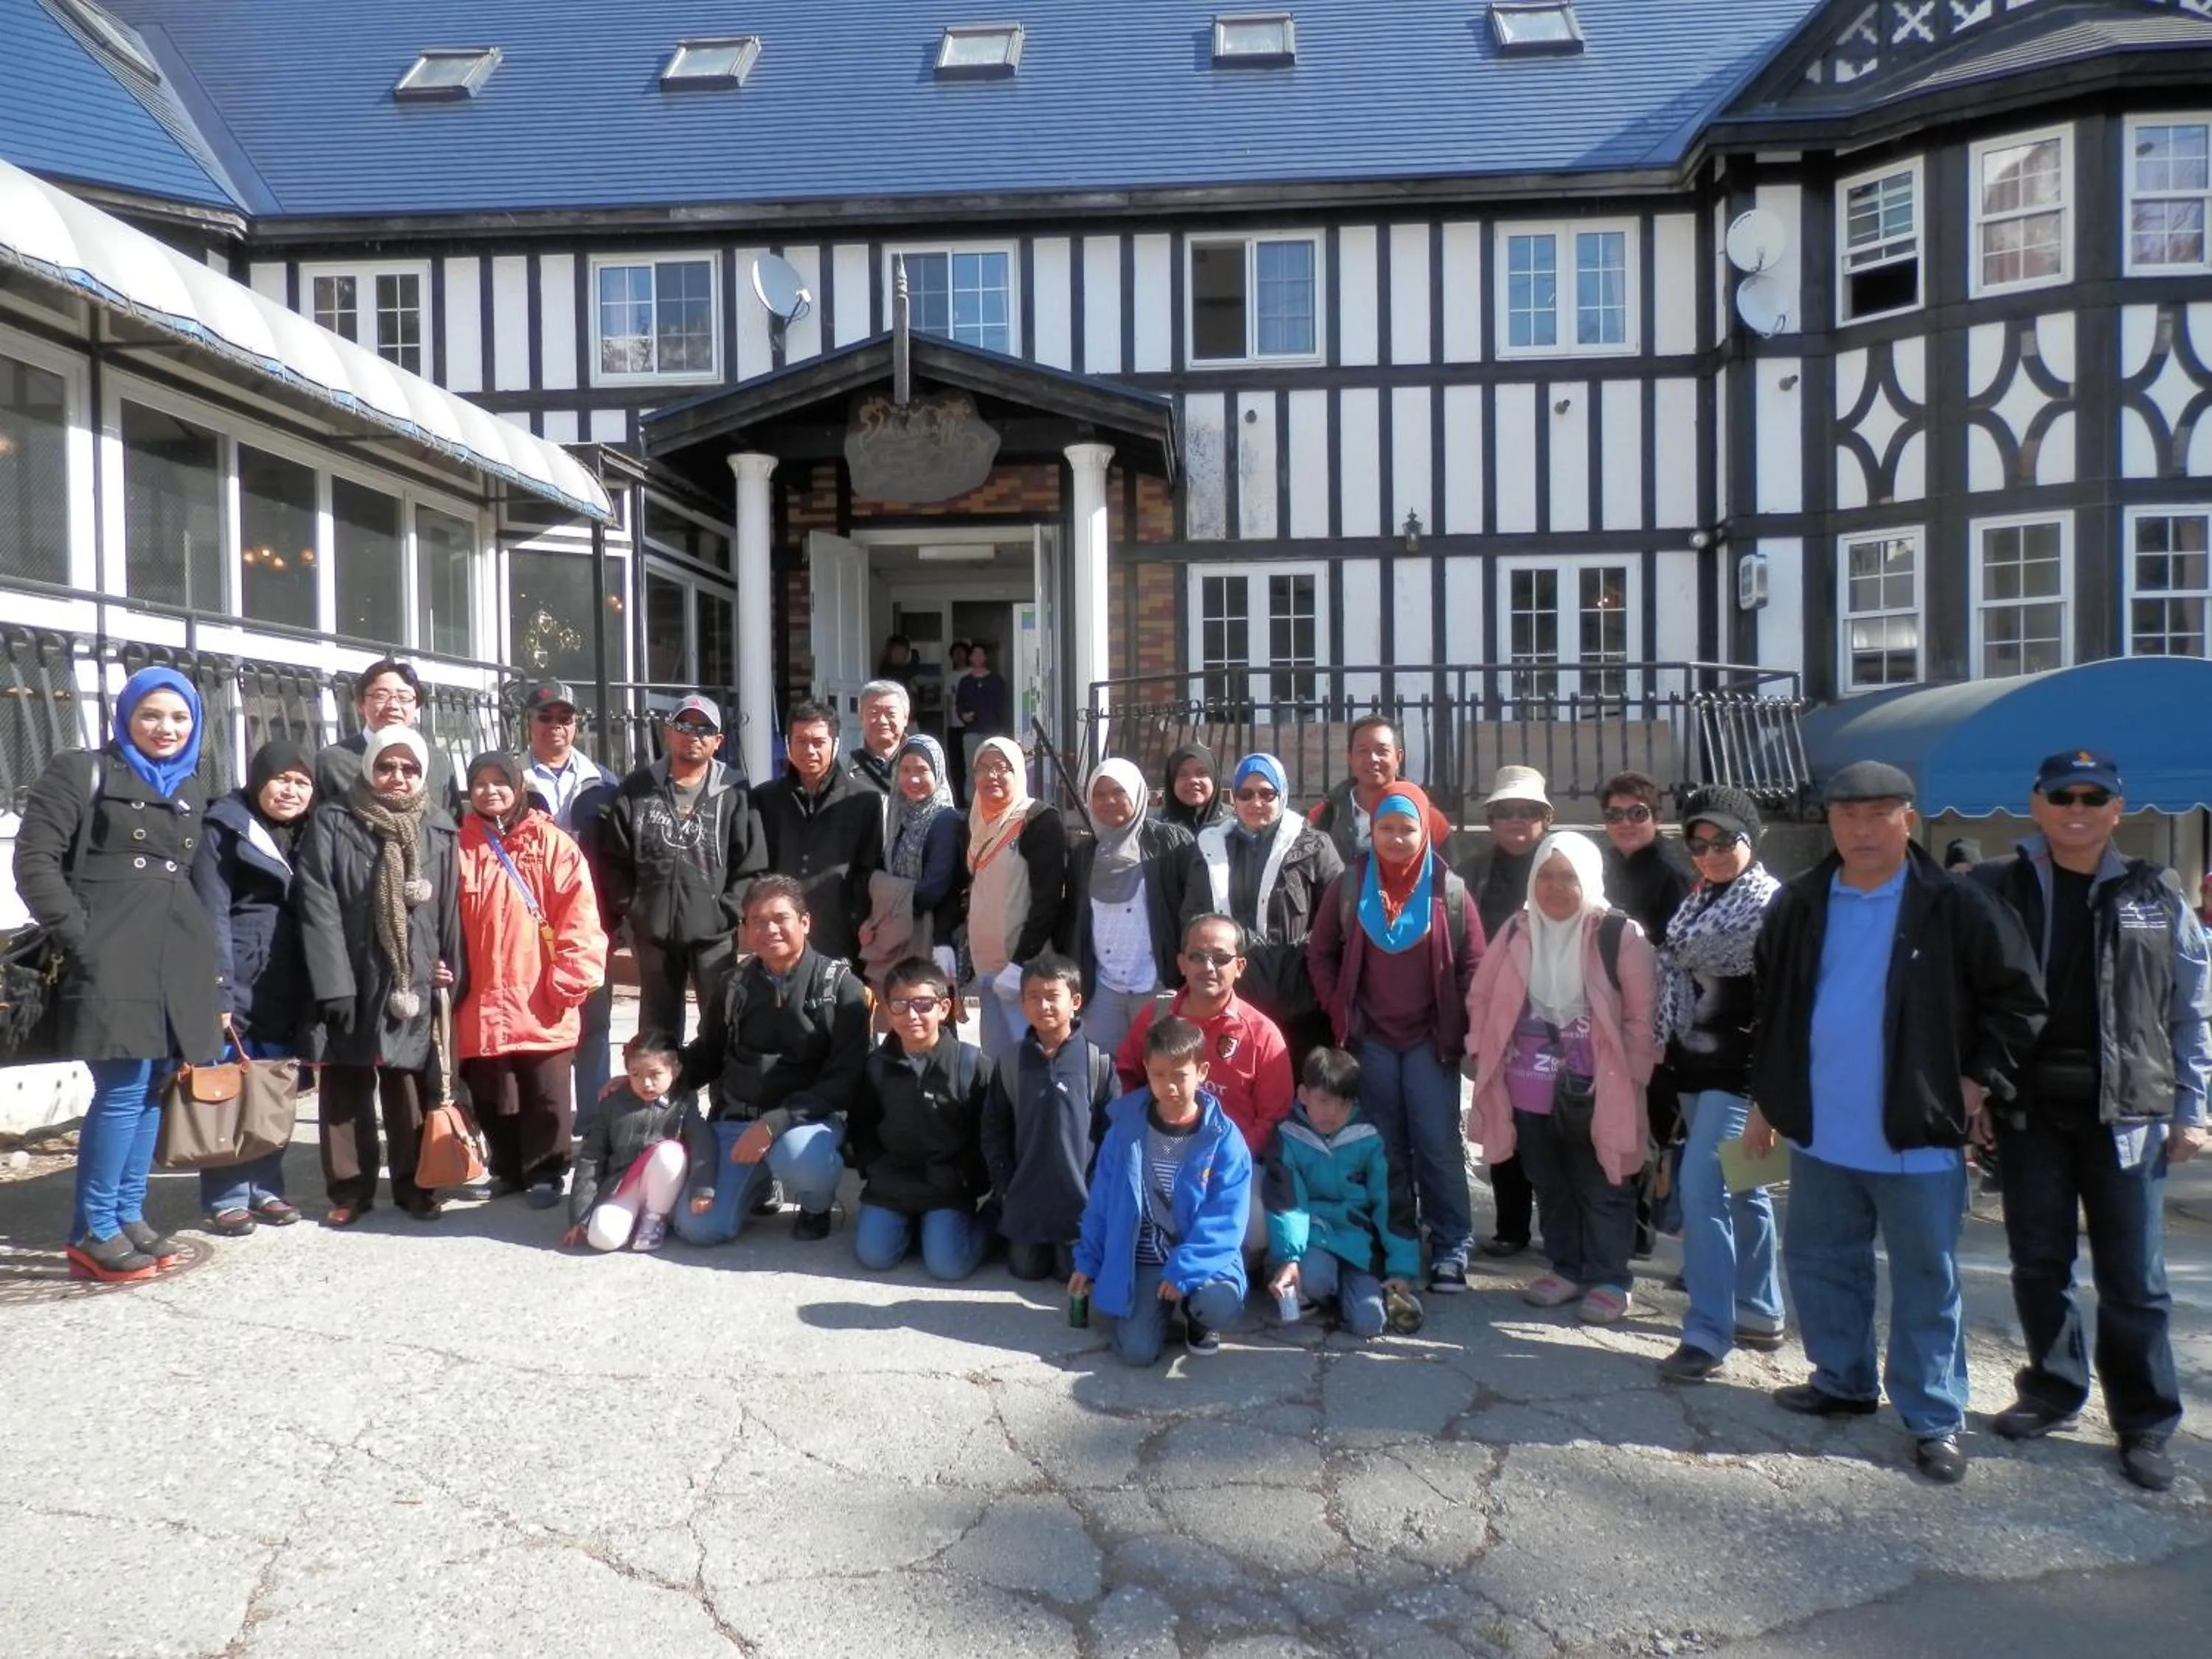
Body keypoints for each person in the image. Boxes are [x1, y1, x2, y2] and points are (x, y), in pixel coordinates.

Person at [1744, 760, 2044, 1485]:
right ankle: (1842, 1381)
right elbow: (1774, 1011)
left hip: (1917, 1132)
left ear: (1909, 818)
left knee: (1925, 1282)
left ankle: (1934, 1417)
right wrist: (1766, 1101)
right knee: (1821, 1262)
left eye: (1881, 812)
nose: (1863, 827)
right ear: (1830, 824)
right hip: (1821, 1133)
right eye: (1848, 814)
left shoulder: (1955, 905)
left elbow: (2019, 1003)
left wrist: (1977, 1080)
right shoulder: (1801, 903)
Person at [1972, 751, 2211, 1493]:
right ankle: (2052, 1389)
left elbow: (2193, 1006)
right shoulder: (1995, 886)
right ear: (2036, 804)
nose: (2077, 806)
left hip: (2129, 1115)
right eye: (2062, 794)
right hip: (2030, 1110)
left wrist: (2195, 1110)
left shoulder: (2155, 891)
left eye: (2093, 795)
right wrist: (1974, 1092)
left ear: (2117, 807)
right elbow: (1967, 996)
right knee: (2039, 1264)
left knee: (2134, 1279)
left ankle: (2143, 1423)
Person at [14, 667, 223, 1281]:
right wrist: (83, 939)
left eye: (180, 718)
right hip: (110, 958)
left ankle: (128, 1214)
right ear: (127, 715)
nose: (166, 728)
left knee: (155, 1081)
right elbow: (34, 862)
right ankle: (94, 1229)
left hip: (175, 959)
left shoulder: (191, 786)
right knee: (123, 1086)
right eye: (152, 715)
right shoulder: (82, 771)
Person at [1464, 831, 1658, 1326]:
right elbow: (1482, 997)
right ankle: (1567, 1267)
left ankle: (1611, 1277)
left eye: (1568, 877)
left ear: (1589, 879)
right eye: (1546, 876)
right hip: (1527, 1086)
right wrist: (1481, 1051)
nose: (1554, 888)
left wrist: (1632, 1077)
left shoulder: (1619, 936)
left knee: (1604, 1182)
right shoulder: (1517, 930)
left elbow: (1643, 1017)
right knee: (1549, 1182)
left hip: (1600, 1088)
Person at [1307, 782, 1484, 1295]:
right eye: (1386, 828)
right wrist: (1338, 1005)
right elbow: (1320, 954)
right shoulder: (1351, 884)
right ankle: (1396, 1239)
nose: (1397, 838)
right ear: (1371, 831)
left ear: (1425, 829)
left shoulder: (1448, 889)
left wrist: (1460, 1017)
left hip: (1430, 1042)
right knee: (1385, 1149)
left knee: (1438, 1146)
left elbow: (1475, 961)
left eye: (1408, 828)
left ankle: (1451, 1245)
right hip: (1371, 1041)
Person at [295, 726, 465, 1225]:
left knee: (408, 1082)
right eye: (387, 766)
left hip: (413, 973)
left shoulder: (438, 826)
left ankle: (416, 1185)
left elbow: (450, 907)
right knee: (346, 1082)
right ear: (369, 768)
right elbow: (317, 902)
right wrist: (333, 981)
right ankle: (350, 1188)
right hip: (348, 969)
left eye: (409, 769)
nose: (397, 777)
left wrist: (448, 967)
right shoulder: (333, 820)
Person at [1651, 786, 1785, 1383]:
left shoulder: (1774, 909)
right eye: (1697, 843)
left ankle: (1708, 1330)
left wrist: (1771, 1096)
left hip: (1746, 1081)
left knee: (1703, 1194)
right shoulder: (1700, 902)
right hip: (1696, 1072)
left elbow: (1787, 1007)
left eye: (1723, 840)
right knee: (1744, 1192)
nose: (1709, 853)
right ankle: (1761, 1309)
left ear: (1750, 839)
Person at [673, 876, 871, 1245]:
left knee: (800, 1159)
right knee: (698, 1228)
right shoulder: (733, 986)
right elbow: (709, 1054)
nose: (770, 929)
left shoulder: (841, 986)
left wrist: (774, 1124)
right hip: (738, 1122)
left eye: (781, 918)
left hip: (805, 1124)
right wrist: (662, 1075)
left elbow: (846, 1079)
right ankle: (760, 1184)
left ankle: (815, 1206)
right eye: (757, 921)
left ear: (805, 922)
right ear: (745, 929)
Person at [453, 752, 608, 1208]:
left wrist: (572, 975)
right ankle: (507, 1167)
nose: (490, 791)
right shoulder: (458, 845)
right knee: (493, 1090)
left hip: (540, 987)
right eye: (479, 783)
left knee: (546, 1091)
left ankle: (546, 1170)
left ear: (518, 786)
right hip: (480, 994)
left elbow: (579, 914)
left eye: (499, 781)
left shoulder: (553, 844)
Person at [187, 738, 316, 1237]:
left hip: (285, 980)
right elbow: (210, 912)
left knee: (273, 1086)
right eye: (281, 779)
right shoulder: (223, 826)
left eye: (301, 783)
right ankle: (226, 1196)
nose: (290, 791)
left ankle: (267, 1187)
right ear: (259, 778)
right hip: (236, 973)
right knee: (228, 1085)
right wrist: (218, 989)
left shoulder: (307, 832)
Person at [1071, 1015, 1253, 1366]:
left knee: (1216, 1302)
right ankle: (1157, 1310)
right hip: (1147, 1257)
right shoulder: (1125, 1130)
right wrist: (1088, 1261)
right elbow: (1102, 1202)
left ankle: (1198, 1318)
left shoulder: (1223, 1138)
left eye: (1180, 1076)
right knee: (1136, 1353)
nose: (1169, 1086)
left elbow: (1225, 1220)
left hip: (1202, 1255)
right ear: (1146, 1070)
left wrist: (1184, 1270)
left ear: (1202, 1072)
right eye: (1158, 1075)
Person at [599, 695, 765, 1043]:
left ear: (718, 741)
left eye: (705, 729)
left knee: (720, 1024)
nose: (694, 735)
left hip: (714, 934)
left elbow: (751, 862)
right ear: (668, 733)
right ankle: (662, 1097)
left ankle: (724, 1096)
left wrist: (728, 911)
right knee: (657, 1031)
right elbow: (614, 857)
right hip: (653, 931)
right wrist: (633, 908)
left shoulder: (734, 791)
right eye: (685, 726)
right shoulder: (637, 788)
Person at [1181, 753, 1343, 1065]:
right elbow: (1191, 916)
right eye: (1246, 794)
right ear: (1233, 798)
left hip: (1299, 998)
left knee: (1300, 1095)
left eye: (1267, 794)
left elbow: (1337, 920)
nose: (1256, 802)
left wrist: (1294, 960)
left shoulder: (1314, 846)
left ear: (1282, 794)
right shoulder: (1209, 848)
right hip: (1232, 999)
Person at [1457, 764, 1554, 1261]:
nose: (1517, 820)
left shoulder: (1566, 864)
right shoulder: (1473, 872)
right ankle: (1512, 1224)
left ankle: (1561, 1229)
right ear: (1492, 819)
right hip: (1497, 1017)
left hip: (1557, 1017)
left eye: (1528, 812)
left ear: (1546, 817)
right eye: (1506, 812)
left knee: (1558, 1126)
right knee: (1502, 1119)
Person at [849, 956, 997, 1280]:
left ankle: (991, 1221)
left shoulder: (971, 1065)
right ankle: (916, 1226)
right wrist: (874, 1169)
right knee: (874, 1256)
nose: (912, 1015)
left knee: (948, 1267)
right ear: (887, 1012)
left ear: (944, 1009)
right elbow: (862, 1128)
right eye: (900, 1004)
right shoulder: (875, 1067)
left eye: (923, 1004)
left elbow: (986, 1134)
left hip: (947, 1185)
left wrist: (966, 1178)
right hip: (892, 1181)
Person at [1116, 914, 1295, 1172]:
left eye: (1221, 958)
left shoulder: (1263, 1035)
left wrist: (1225, 1160)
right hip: (1153, 1160)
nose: (1208, 967)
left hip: (1231, 1169)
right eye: (1197, 956)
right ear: (1182, 964)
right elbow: (1125, 1079)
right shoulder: (1156, 1016)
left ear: (1241, 966)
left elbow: (1274, 1118)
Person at [1265, 1047, 1422, 1338]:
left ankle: (1349, 1296)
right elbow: (1288, 1203)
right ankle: (1317, 1290)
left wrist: (1401, 1269)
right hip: (1313, 1239)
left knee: (1369, 1324)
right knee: (1313, 1278)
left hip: (1358, 1244)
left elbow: (1393, 1205)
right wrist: (1289, 1258)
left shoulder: (1371, 1139)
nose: (1332, 1112)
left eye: (1343, 1103)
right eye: (1323, 1101)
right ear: (1303, 1095)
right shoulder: (1288, 1137)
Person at [982, 953, 1119, 1281]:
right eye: (1034, 997)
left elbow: (1113, 1134)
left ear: (1075, 1002)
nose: (1043, 1006)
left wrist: (1098, 1189)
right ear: (1023, 1003)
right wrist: (1005, 1183)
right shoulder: (1012, 1062)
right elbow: (994, 1128)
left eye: (1052, 997)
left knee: (1069, 1274)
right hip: (1026, 1199)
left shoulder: (1097, 1062)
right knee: (1026, 1270)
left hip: (1079, 1203)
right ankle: (999, 1222)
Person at [519, 681, 622, 1117]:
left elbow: (620, 855)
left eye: (565, 718)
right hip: (524, 922)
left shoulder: (604, 783)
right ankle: (544, 1116)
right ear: (529, 723)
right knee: (534, 1021)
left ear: (577, 725)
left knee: (594, 1024)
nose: (555, 727)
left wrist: (617, 918)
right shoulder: (508, 780)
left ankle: (595, 1121)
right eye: (546, 717)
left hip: (589, 923)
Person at [1062, 758, 1192, 1057]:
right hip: (1103, 989)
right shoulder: (1084, 855)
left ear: (1136, 793)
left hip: (1157, 984)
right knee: (1100, 1071)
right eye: (1099, 794)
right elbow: (1073, 920)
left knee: (1159, 1072)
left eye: (1118, 792)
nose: (1109, 801)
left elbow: (1191, 909)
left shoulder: (1169, 843)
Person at [754, 700, 883, 966]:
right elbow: (758, 866)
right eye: (800, 741)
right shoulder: (764, 799)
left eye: (818, 742)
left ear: (835, 744)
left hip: (842, 934)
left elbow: (868, 869)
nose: (809, 750)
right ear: (788, 744)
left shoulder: (864, 801)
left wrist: (860, 919)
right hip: (778, 933)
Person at [965, 736, 1068, 1063]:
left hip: (1024, 970)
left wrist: (1020, 963)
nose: (991, 776)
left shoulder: (1038, 820)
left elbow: (1048, 900)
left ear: (1019, 773)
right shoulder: (977, 821)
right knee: (997, 1062)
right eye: (983, 768)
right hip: (987, 967)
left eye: (1002, 767)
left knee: (1033, 1060)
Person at [565, 1030, 706, 1253]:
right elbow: (591, 1157)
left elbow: (703, 1146)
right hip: (623, 1186)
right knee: (602, 1238)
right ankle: (633, 1216)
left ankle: (656, 1218)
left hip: (667, 1185)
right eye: (636, 1074)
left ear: (675, 1070)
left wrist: (703, 1190)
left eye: (655, 1074)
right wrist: (580, 1218)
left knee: (670, 1153)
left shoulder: (683, 1104)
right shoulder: (612, 1104)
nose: (645, 1083)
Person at [866, 733, 964, 993]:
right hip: (900, 935)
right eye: (906, 770)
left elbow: (932, 891)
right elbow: (876, 870)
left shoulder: (946, 821)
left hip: (932, 940)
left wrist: (883, 891)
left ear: (938, 773)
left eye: (923, 770)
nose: (913, 779)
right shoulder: (899, 815)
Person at [313, 656, 457, 813]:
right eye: (381, 696)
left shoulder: (438, 761)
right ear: (360, 704)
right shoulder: (332, 761)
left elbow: (450, 825)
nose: (393, 706)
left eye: (404, 698)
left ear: (417, 708)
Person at [1307, 717, 1452, 864]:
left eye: (1382, 751)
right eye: (1363, 751)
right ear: (1350, 758)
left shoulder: (1429, 818)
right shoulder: (1324, 816)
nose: (1372, 759)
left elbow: (1449, 879)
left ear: (1398, 757)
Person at [1599, 771, 1695, 944]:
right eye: (1614, 815)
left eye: (1638, 813)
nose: (1625, 823)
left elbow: (1677, 946)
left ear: (1657, 818)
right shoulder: (1602, 866)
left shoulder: (1671, 875)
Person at [955, 641, 1012, 779]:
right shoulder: (965, 681)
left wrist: (1005, 732)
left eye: (981, 654)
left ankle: (993, 799)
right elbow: (959, 705)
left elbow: (1003, 706)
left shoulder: (996, 680)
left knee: (994, 768)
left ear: (986, 658)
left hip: (993, 731)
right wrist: (964, 715)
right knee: (972, 768)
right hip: (972, 732)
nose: (978, 657)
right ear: (970, 658)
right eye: (975, 654)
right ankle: (972, 800)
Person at [846, 679, 912, 797]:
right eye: (874, 712)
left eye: (890, 713)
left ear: (906, 718)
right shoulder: (847, 769)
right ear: (861, 717)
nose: (882, 721)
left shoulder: (922, 761)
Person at [1157, 741, 1225, 835]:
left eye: (1202, 773)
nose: (1193, 780)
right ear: (1172, 782)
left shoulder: (1234, 826)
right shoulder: (1156, 829)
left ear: (1214, 778)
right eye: (1182, 774)